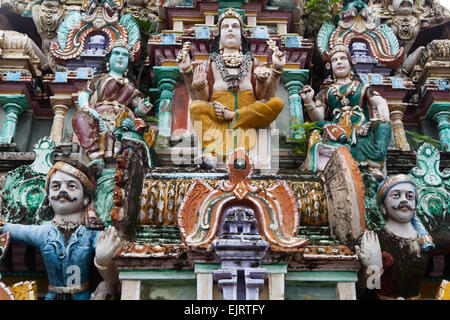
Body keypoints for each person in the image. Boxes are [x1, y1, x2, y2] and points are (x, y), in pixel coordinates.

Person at [176, 8, 285, 168]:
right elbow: (201, 100)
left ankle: (235, 116)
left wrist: (275, 70)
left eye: (235, 26)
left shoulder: (253, 63)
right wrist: (188, 73)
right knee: (196, 107)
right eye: (225, 27)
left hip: (247, 122)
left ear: (242, 37)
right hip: (217, 119)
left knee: (276, 103)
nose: (230, 30)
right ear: (219, 38)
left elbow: (263, 98)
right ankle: (210, 152)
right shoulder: (209, 64)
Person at [0, 161, 121, 300]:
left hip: (82, 295)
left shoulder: (92, 234)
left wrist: (103, 261)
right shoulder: (44, 233)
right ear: (48, 198)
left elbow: (114, 278)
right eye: (56, 186)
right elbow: (8, 229)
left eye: (71, 186)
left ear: (85, 198)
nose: (63, 191)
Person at [300, 40, 391, 179]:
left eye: (343, 58)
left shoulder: (362, 87)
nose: (339, 62)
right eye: (335, 59)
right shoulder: (326, 91)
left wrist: (382, 118)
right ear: (329, 66)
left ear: (351, 62)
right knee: (318, 127)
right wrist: (308, 101)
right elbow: (318, 117)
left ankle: (373, 165)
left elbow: (380, 102)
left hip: (361, 128)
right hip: (338, 131)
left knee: (383, 126)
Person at [73, 39, 152, 169]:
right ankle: (96, 156)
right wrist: (87, 109)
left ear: (128, 63)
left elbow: (137, 108)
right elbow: (84, 94)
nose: (121, 57)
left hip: (123, 119)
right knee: (80, 118)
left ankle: (123, 156)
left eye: (125, 55)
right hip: (99, 116)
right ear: (109, 60)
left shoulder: (130, 86)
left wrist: (143, 109)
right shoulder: (99, 79)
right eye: (117, 54)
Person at [356, 174, 436, 299]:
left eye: (410, 196)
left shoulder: (425, 241)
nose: (404, 200)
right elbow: (367, 286)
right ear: (383, 206)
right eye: (396, 195)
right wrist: (372, 267)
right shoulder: (375, 238)